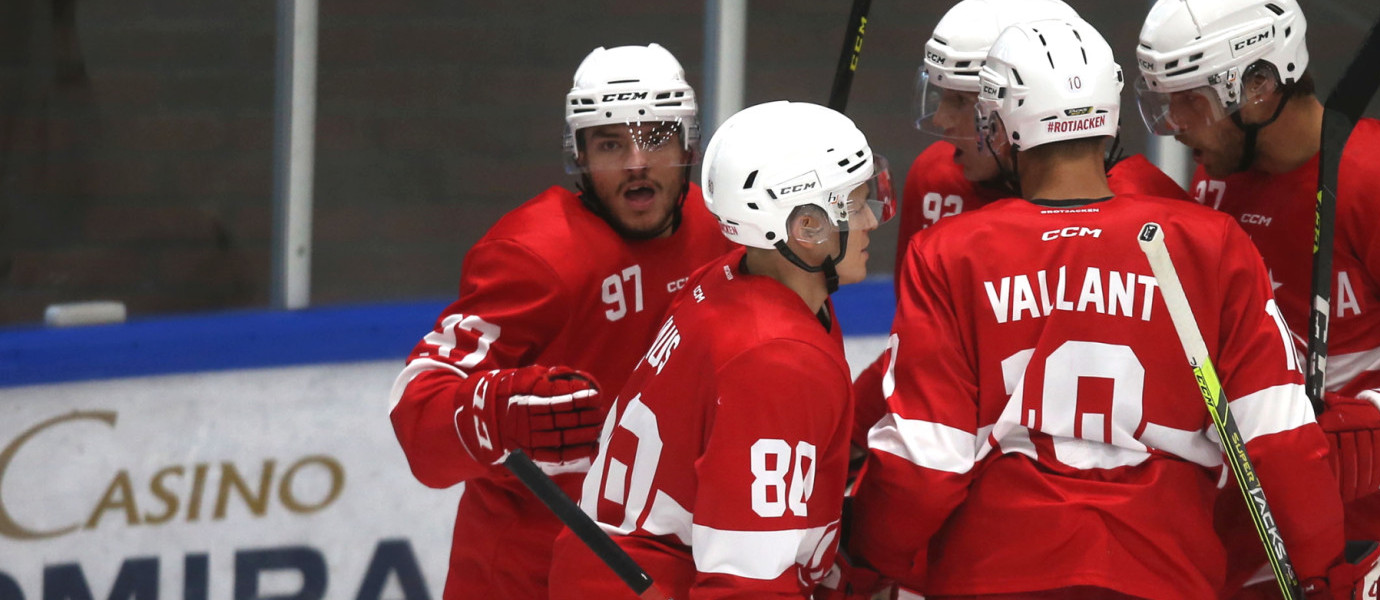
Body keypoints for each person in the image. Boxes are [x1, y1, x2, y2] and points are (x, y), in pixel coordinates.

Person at [847, 18, 1372, 600]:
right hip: (1163, 574)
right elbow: (1278, 442)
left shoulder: (949, 252)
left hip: (994, 572)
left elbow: (926, 464)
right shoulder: (1211, 244)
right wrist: (1325, 571)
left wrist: (864, 558)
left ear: (998, 123)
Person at [1136, 1, 1380, 597]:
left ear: (1259, 87)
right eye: (1164, 101)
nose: (1174, 123)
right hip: (1255, 543)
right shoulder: (1218, 183)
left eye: (1190, 100)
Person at [386, 44, 731, 600]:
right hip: (526, 573)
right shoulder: (536, 254)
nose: (637, 162)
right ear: (580, 153)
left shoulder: (723, 231)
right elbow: (417, 408)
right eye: (611, 143)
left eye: (656, 137)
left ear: (688, 143)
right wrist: (494, 413)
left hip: (665, 562)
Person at [549, 100, 893, 599]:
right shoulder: (775, 357)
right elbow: (746, 583)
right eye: (855, 203)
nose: (871, 221)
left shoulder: (726, 278)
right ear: (806, 226)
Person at [850, 0, 1193, 456]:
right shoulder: (937, 177)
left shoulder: (1152, 207)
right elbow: (916, 356)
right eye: (940, 96)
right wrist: (840, 432)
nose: (940, 122)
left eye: (960, 102)